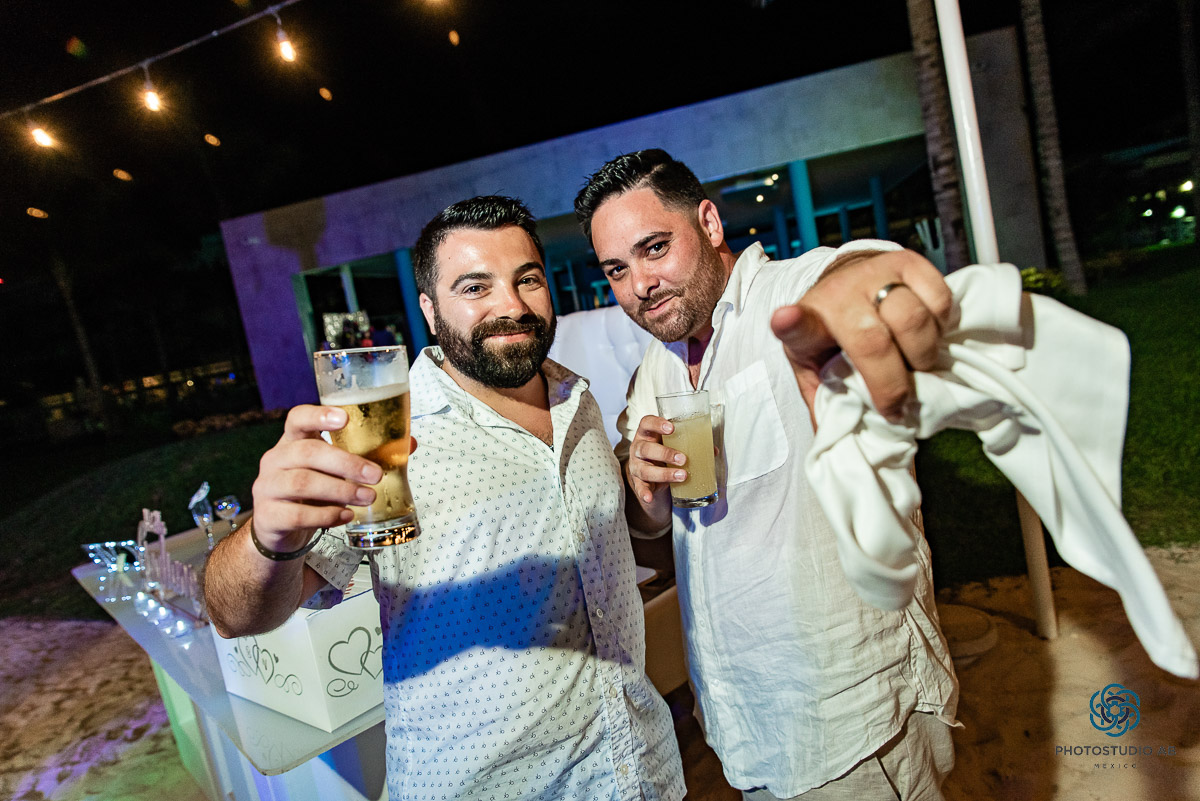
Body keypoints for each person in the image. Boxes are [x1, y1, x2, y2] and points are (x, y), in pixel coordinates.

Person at [204, 195, 685, 801]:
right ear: (430, 310)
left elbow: (622, 534)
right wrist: (267, 539)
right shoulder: (379, 433)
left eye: (527, 279)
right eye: (476, 287)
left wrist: (646, 499)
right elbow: (238, 616)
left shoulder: (578, 400)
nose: (512, 306)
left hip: (640, 770)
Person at [574, 149, 959, 801]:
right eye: (617, 269)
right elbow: (650, 526)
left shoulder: (787, 298)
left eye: (655, 248)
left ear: (709, 224)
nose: (640, 283)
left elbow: (852, 278)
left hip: (852, 720)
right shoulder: (659, 366)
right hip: (744, 725)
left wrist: (873, 284)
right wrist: (644, 492)